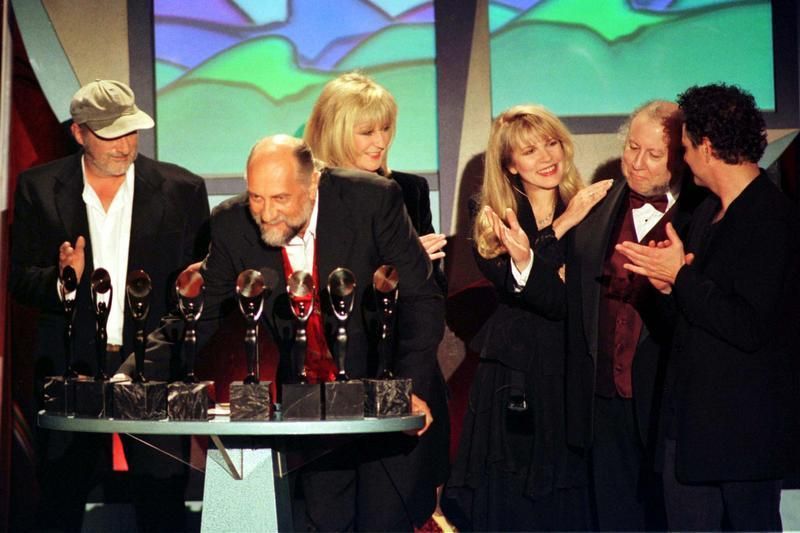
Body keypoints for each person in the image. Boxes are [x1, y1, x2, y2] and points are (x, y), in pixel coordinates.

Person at [121, 134, 446, 531]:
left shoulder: (372, 201)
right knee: (324, 521)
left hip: (388, 395)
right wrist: (131, 373)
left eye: (279, 198)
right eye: (256, 197)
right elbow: (197, 317)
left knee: (384, 521)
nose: (265, 212)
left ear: (312, 186)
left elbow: (420, 298)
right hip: (313, 413)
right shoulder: (231, 224)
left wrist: (408, 387)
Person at [9, 79, 210, 532]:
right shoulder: (38, 188)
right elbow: (19, 281)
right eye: (110, 133)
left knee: (162, 507)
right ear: (79, 133)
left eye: (131, 131)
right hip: (70, 366)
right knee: (60, 503)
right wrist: (65, 282)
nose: (124, 145)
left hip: (153, 365)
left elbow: (199, 288)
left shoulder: (182, 190)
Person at [616, 83, 800, 531]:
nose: (683, 157)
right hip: (690, 431)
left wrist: (681, 277)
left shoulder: (772, 217)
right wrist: (668, 288)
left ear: (708, 146)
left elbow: (749, 325)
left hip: (742, 439)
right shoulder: (706, 214)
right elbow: (696, 313)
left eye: (685, 147)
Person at [442, 104, 612, 531]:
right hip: (513, 375)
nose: (546, 157)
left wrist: (537, 258)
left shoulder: (592, 208)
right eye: (530, 150)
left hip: (569, 370)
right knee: (514, 498)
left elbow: (560, 301)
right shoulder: (490, 217)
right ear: (510, 165)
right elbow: (523, 290)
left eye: (551, 143)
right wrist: (560, 231)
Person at [303, 71, 451, 528]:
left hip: (400, 378)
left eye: (385, 129)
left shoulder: (406, 190)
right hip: (328, 388)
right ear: (333, 130)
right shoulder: (306, 194)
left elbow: (426, 300)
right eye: (366, 131)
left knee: (390, 514)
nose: (380, 141)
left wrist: (417, 268)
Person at [562, 100, 704, 530]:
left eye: (653, 154)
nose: (636, 164)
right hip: (603, 406)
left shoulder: (703, 213)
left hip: (670, 408)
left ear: (681, 157)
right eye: (631, 148)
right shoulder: (599, 205)